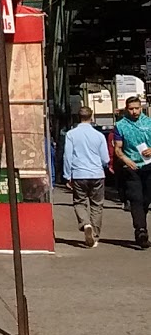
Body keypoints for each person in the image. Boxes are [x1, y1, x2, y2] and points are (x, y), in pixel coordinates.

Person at [62, 106, 110, 247]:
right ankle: (94, 235)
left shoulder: (71, 134)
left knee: (79, 202)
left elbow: (67, 156)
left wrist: (67, 175)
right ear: (92, 117)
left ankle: (85, 223)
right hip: (97, 174)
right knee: (97, 205)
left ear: (78, 117)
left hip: (78, 174)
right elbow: (105, 159)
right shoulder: (99, 136)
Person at [113, 95, 151, 248]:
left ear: (141, 108)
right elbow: (118, 148)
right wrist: (126, 160)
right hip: (131, 167)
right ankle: (141, 231)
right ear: (126, 109)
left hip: (149, 166)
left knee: (146, 199)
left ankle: (141, 221)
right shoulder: (121, 125)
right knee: (135, 198)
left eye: (137, 108)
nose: (134, 112)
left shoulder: (149, 123)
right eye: (131, 109)